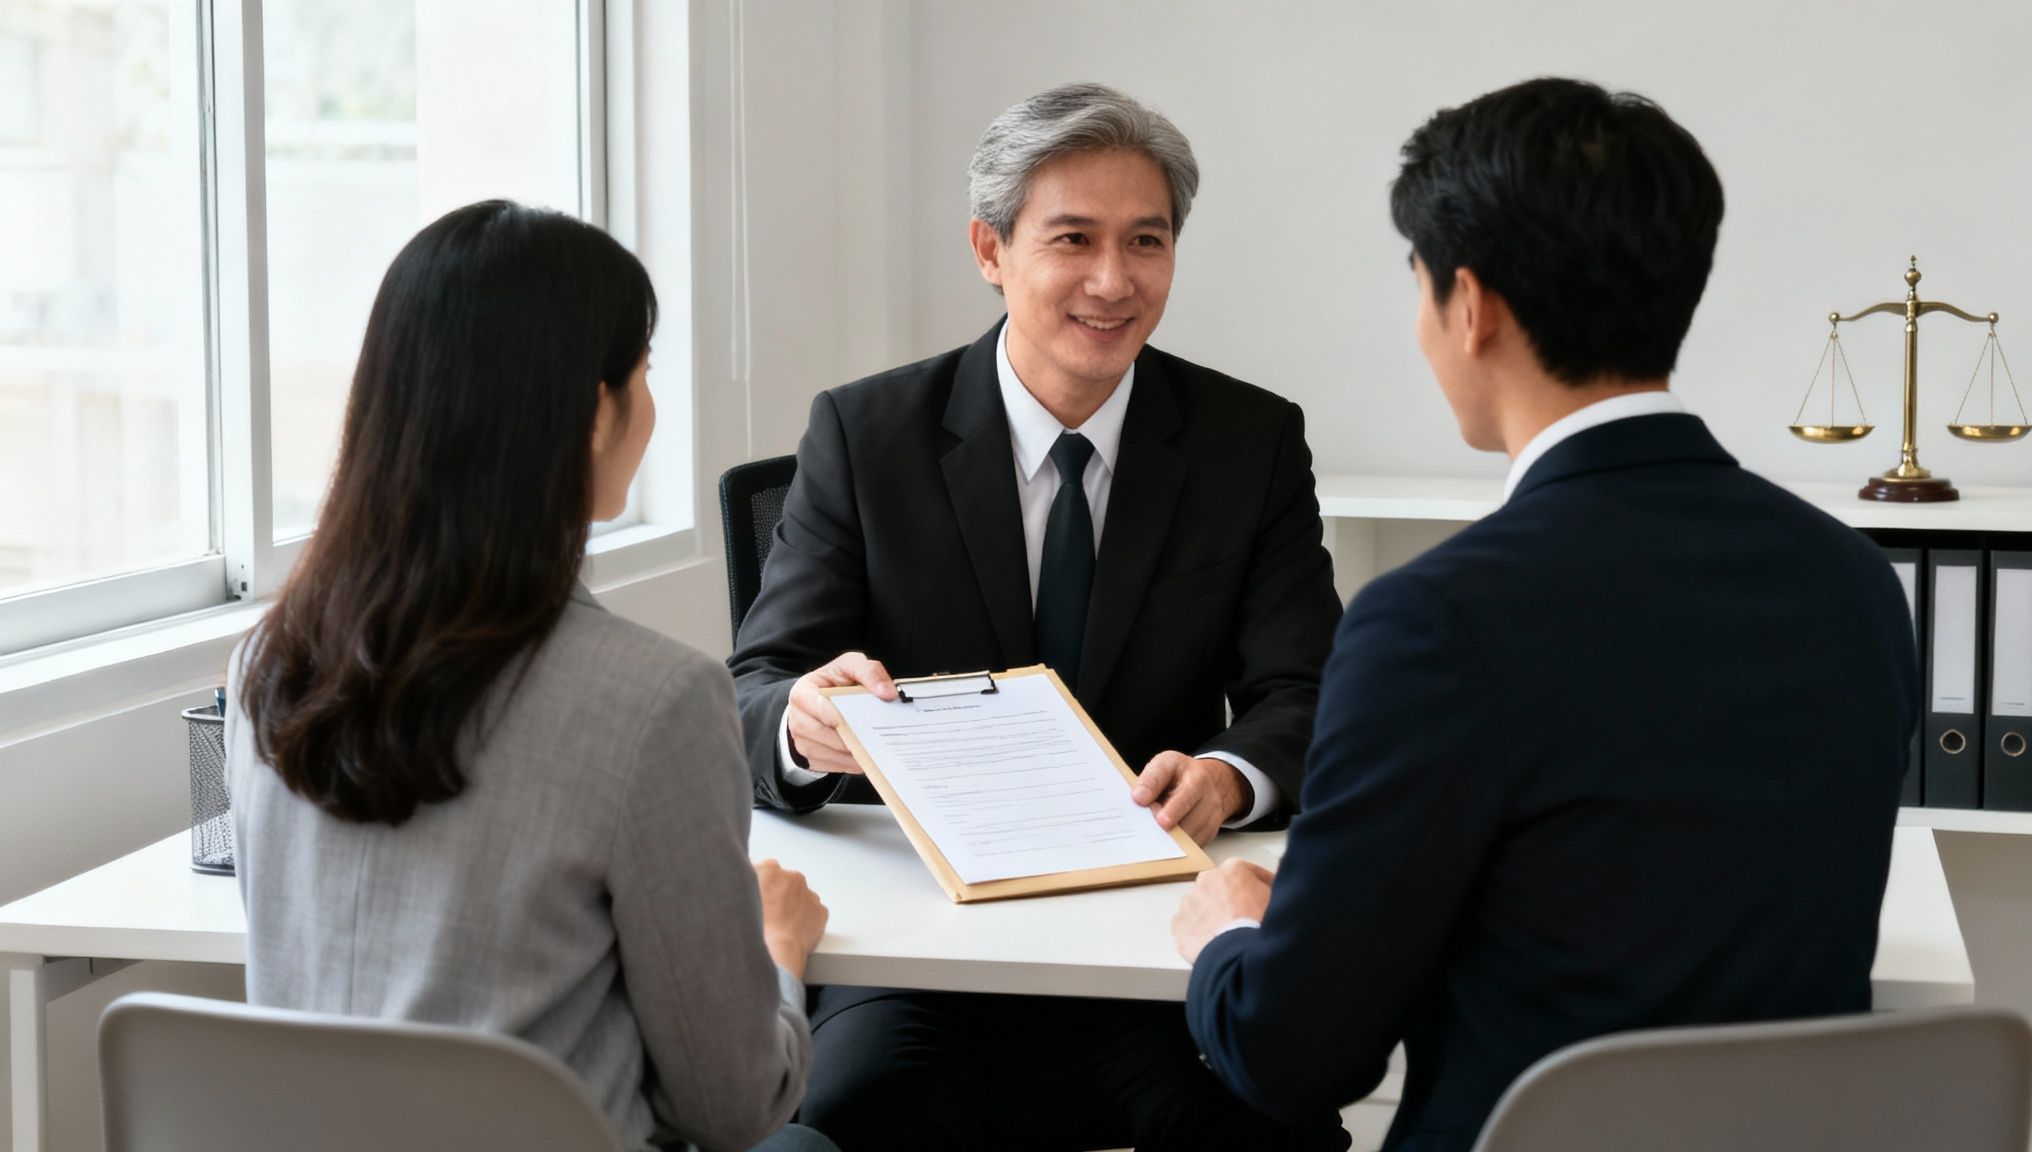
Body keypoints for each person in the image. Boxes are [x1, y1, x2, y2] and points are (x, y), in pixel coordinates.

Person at [1174, 78, 1919, 1152]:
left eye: (1417, 286)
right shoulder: (1850, 582)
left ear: (1468, 306)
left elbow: (1291, 1057)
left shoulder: (1432, 623)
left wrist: (1227, 939)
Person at [727, 84, 1346, 1150]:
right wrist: (802, 722)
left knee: (1275, 1124)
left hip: (1153, 949)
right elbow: (755, 685)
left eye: (1144, 241)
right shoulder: (865, 435)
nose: (1113, 281)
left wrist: (1226, 776)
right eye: (1073, 239)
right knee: (838, 1122)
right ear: (989, 248)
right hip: (922, 961)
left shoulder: (1248, 443)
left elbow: (1307, 692)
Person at [228, 200, 837, 1152]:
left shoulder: (268, 663)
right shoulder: (655, 698)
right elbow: (732, 1106)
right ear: (597, 412)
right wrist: (779, 954)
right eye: (643, 374)